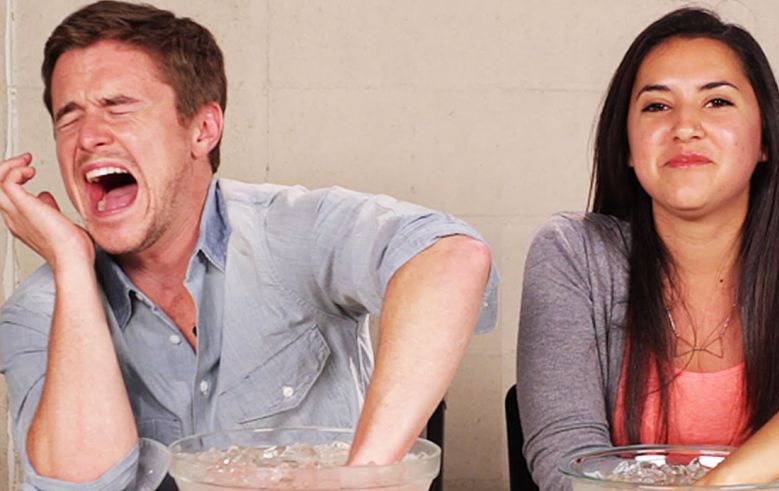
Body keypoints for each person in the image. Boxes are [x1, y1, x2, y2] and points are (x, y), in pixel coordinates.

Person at [0, 1, 499, 489]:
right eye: (68, 118)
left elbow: (451, 256)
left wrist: (361, 478)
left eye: (118, 106)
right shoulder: (38, 312)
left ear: (202, 129)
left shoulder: (291, 232)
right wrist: (70, 262)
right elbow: (84, 484)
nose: (87, 137)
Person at [517, 7, 779, 491]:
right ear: (628, 149)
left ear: (765, 140)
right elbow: (565, 456)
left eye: (717, 102)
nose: (685, 126)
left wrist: (713, 486)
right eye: (656, 106)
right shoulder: (574, 253)